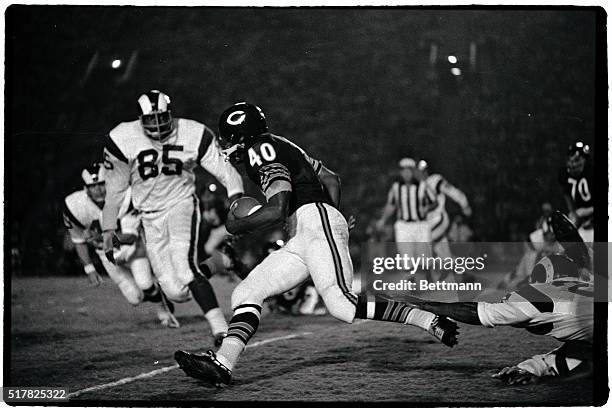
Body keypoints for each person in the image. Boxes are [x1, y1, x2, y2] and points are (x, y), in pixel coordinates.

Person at [174, 102, 458, 386]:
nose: (228, 147)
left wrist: (235, 225)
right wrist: (330, 215)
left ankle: (426, 319)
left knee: (342, 305)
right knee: (247, 292)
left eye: (229, 140)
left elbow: (277, 208)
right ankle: (223, 363)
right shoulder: (282, 144)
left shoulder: (257, 150)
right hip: (307, 229)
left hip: (312, 222)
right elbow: (330, 178)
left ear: (240, 136)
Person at [100, 90, 244, 345]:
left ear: (170, 114)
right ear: (139, 119)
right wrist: (108, 227)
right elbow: (115, 190)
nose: (157, 125)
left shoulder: (192, 132)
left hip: (181, 204)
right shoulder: (122, 137)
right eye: (150, 120)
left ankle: (221, 330)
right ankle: (220, 260)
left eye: (161, 118)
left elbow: (227, 172)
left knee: (186, 268)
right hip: (148, 215)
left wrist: (236, 198)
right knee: (176, 292)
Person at [405, 211, 593, 385]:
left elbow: (478, 313)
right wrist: (533, 367)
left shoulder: (542, 295)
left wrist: (427, 306)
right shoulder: (594, 278)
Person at [63, 163, 178, 327]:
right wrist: (89, 268)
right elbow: (78, 241)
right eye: (93, 186)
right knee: (134, 298)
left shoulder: (125, 195)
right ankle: (156, 293)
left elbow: (130, 237)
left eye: (101, 184)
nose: (99, 190)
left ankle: (162, 309)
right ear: (85, 188)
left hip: (131, 250)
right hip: (107, 256)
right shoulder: (75, 206)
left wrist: (100, 237)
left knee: (145, 283)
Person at [375, 157, 437, 269]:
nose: (407, 174)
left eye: (409, 171)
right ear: (401, 173)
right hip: (403, 226)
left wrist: (426, 209)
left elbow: (433, 202)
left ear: (413, 172)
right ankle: (410, 283)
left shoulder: (422, 186)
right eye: (404, 171)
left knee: (424, 258)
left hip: (420, 225)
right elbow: (391, 205)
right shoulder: (396, 187)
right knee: (406, 258)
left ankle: (424, 283)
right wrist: (383, 220)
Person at [417, 159, 472, 258]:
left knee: (424, 244)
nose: (421, 173)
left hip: (438, 219)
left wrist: (464, 204)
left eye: (423, 170)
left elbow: (451, 191)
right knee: (444, 256)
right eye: (419, 171)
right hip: (426, 223)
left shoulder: (434, 180)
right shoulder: (413, 187)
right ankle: (460, 271)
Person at [558, 141, 593, 242]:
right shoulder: (565, 175)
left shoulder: (590, 174)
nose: (573, 163)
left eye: (577, 160)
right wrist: (573, 213)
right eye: (570, 160)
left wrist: (584, 211)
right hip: (584, 224)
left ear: (585, 160)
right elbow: (567, 195)